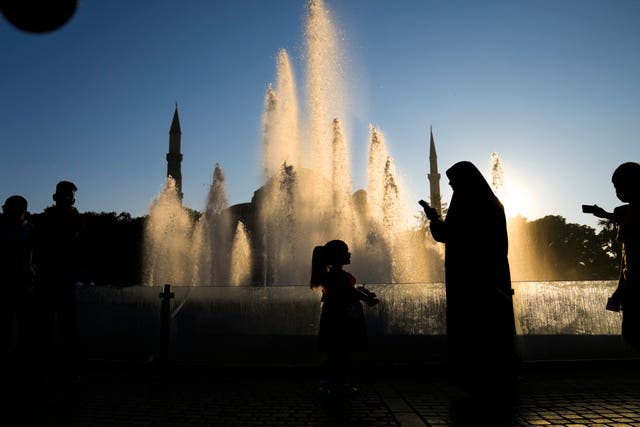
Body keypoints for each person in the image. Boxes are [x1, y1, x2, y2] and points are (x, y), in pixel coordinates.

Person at [419, 161, 519, 401]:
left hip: (469, 278)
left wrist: (433, 219)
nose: (452, 186)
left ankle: (476, 377)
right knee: (492, 329)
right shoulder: (492, 204)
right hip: (490, 275)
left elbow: (450, 235)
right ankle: (498, 375)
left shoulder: (466, 205)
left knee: (473, 327)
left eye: (454, 182)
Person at [310, 239, 378, 397]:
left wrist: (363, 292)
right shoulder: (336, 275)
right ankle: (331, 384)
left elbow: (349, 289)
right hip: (339, 319)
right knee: (339, 352)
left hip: (337, 316)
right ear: (336, 256)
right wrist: (366, 298)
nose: (349, 254)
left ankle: (334, 383)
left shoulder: (335, 275)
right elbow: (349, 292)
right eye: (345, 252)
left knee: (337, 352)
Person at [33, 181, 85, 383]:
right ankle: (44, 371)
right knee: (47, 329)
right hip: (49, 280)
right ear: (56, 198)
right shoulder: (49, 221)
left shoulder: (73, 220)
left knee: (66, 329)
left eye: (70, 196)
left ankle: (67, 371)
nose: (69, 200)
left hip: (61, 280)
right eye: (66, 196)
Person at [588, 162, 640, 349]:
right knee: (631, 334)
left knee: (633, 334)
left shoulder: (626, 213)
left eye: (619, 186)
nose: (617, 192)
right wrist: (621, 287)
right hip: (632, 283)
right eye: (615, 187)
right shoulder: (625, 213)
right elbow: (627, 255)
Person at [0, 195, 36, 376]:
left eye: (5, 207)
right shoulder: (30, 230)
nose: (3, 210)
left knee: (24, 329)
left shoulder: (31, 230)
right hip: (12, 285)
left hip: (21, 285)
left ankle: (20, 364)